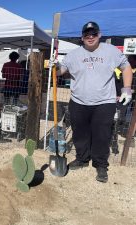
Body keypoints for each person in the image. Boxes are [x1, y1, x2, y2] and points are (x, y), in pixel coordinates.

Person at [55, 22, 133, 183]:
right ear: (82, 37)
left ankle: (101, 165)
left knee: (102, 135)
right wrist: (53, 66)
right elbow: (60, 72)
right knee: (80, 133)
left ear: (99, 35)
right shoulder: (73, 55)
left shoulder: (110, 51)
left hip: (104, 102)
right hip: (78, 101)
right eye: (86, 34)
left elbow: (126, 67)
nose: (90, 37)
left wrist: (126, 88)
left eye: (93, 34)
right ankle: (82, 159)